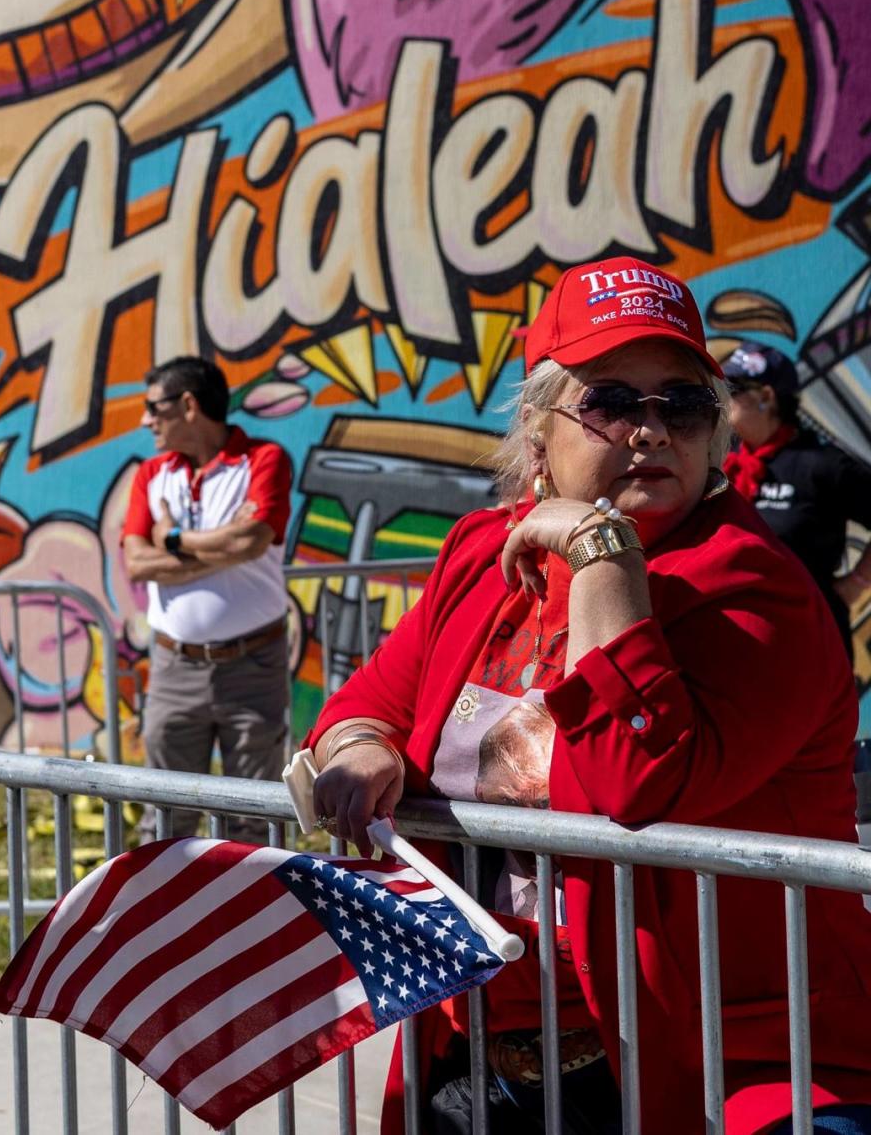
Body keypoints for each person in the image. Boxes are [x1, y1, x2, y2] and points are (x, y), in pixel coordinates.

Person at [306, 259, 871, 1135]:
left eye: (681, 405)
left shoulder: (756, 588)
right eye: (610, 400)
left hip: (719, 1066)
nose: (650, 431)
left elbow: (633, 785)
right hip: (479, 1057)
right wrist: (363, 748)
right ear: (540, 434)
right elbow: (363, 705)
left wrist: (602, 551)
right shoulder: (482, 555)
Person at [123, 356, 291, 841]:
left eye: (153, 406)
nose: (145, 419)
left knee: (254, 818)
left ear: (189, 405)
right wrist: (221, 546)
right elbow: (137, 562)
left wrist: (172, 538)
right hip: (175, 668)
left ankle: (258, 917)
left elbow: (252, 542)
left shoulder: (264, 459)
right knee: (166, 815)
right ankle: (163, 915)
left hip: (252, 666)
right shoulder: (151, 474)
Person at [722, 339, 871, 661]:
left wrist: (855, 584)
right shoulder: (727, 461)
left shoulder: (821, 464)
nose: (723, 397)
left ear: (766, 396)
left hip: (810, 642)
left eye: (733, 388)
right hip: (740, 644)